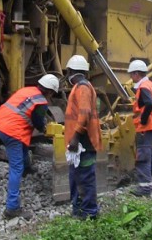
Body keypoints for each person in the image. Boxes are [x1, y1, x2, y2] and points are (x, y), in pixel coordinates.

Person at [0, 74, 59, 220]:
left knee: (22, 145)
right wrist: (46, 129)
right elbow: (37, 121)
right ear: (49, 91)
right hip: (11, 131)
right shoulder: (41, 102)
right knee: (16, 168)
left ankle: (27, 168)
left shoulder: (27, 90)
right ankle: (12, 208)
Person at [64, 55, 103, 219]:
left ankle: (89, 213)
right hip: (80, 143)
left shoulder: (82, 88)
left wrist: (75, 137)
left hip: (83, 142)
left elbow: (85, 114)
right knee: (76, 177)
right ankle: (78, 210)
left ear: (71, 71)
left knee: (85, 178)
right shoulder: (80, 87)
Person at [127, 60, 152, 196]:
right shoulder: (151, 85)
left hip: (146, 126)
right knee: (150, 153)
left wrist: (142, 119)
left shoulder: (143, 87)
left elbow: (148, 103)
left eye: (132, 74)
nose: (131, 77)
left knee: (142, 156)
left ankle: (145, 189)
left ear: (137, 74)